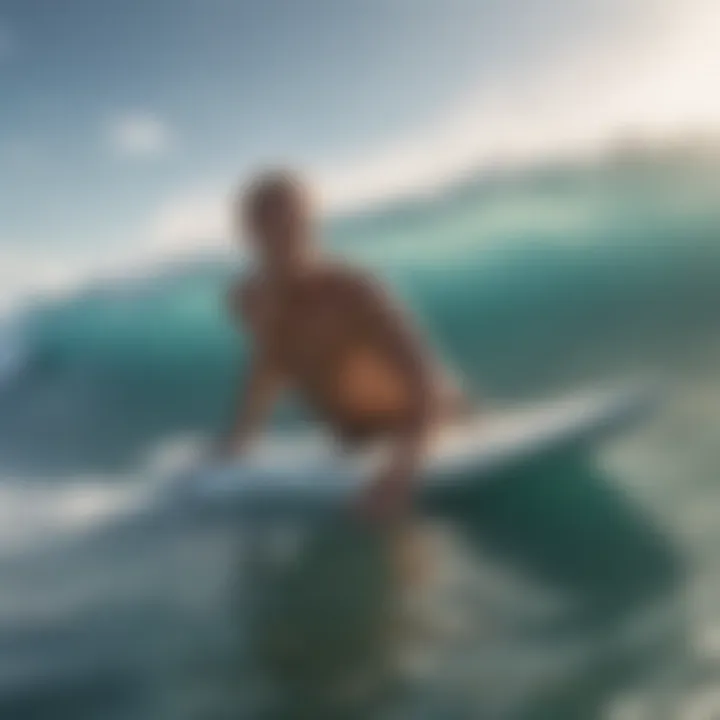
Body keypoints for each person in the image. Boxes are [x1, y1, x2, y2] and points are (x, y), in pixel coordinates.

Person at [218, 169, 467, 522]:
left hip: (426, 426)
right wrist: (241, 437)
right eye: (272, 229)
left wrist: (400, 475)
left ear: (311, 222)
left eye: (296, 225)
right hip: (354, 441)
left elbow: (428, 382)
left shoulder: (352, 289)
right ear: (249, 234)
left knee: (399, 543)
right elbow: (270, 362)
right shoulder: (248, 301)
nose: (287, 239)